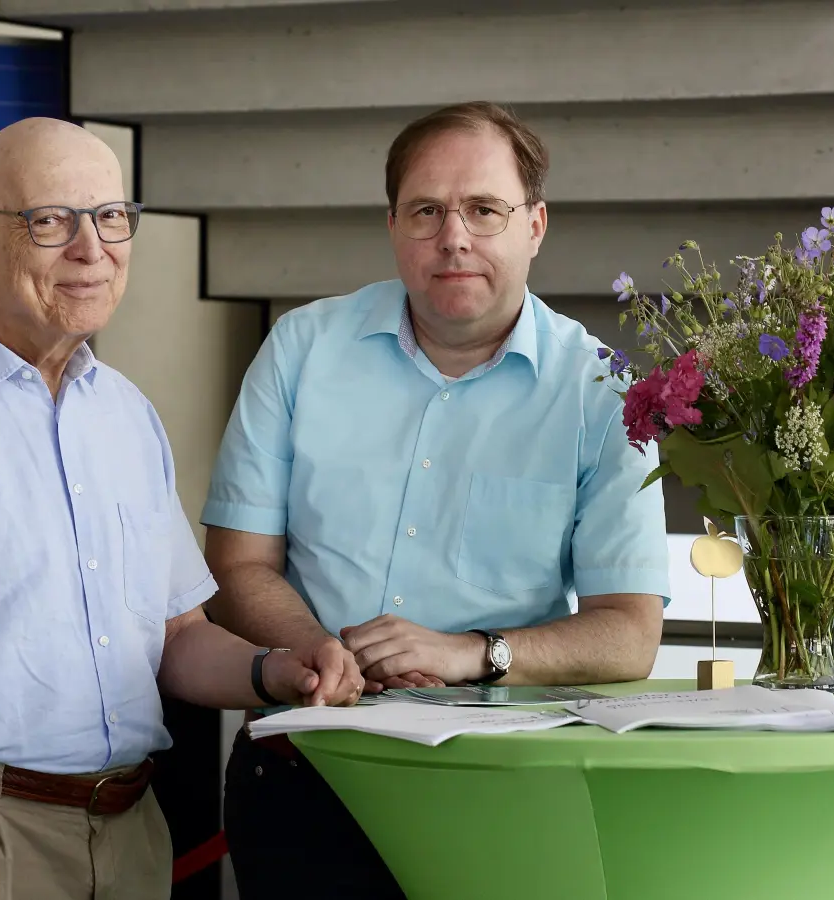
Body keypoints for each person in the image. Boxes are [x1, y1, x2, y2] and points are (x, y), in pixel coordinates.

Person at [0, 117, 364, 900]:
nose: (92, 250)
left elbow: (174, 637)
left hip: (129, 833)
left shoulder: (123, 413)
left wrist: (275, 671)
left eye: (111, 217)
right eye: (49, 221)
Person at [201, 101, 671, 898]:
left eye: (484, 209)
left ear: (535, 225)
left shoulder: (600, 388)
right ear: (392, 225)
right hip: (307, 776)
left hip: (503, 789)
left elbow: (630, 634)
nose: (453, 235)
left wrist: (474, 654)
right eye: (427, 210)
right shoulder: (302, 350)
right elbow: (237, 565)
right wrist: (325, 656)